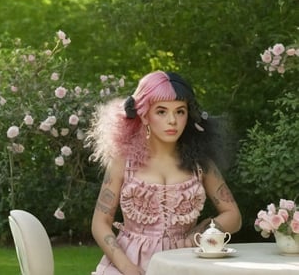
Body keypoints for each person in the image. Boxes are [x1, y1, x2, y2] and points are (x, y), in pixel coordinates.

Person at [86, 70, 242, 275]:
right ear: (144, 115)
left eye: (180, 111)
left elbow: (234, 217)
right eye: (161, 111)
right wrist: (125, 266)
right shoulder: (123, 162)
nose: (172, 120)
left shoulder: (201, 164)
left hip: (184, 263)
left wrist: (200, 232)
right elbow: (100, 223)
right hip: (126, 265)